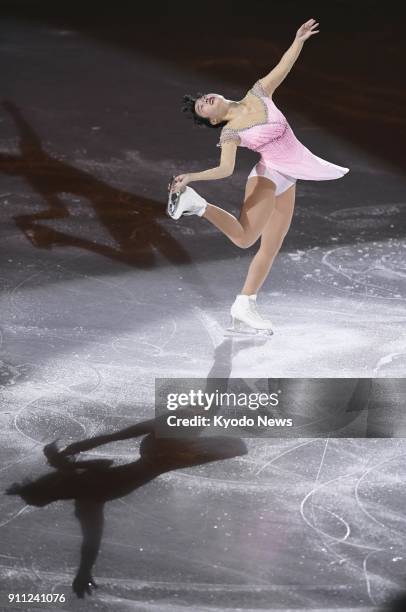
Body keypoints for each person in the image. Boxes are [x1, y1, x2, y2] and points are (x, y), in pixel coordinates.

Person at [167, 18, 349, 335]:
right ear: (212, 121)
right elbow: (225, 169)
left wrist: (299, 40)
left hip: (289, 176)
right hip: (267, 175)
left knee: (270, 248)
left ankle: (244, 304)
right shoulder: (230, 133)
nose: (204, 101)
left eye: (202, 98)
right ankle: (197, 205)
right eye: (201, 108)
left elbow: (284, 66)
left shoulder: (258, 94)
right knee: (244, 238)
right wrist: (192, 177)